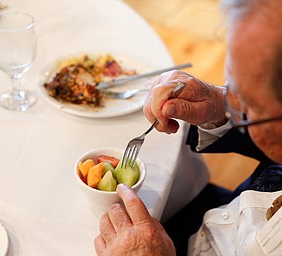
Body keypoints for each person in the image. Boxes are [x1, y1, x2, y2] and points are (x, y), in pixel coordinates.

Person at [94, 0, 282, 255]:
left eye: (247, 100)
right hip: (220, 212)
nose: (233, 104)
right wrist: (217, 106)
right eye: (232, 87)